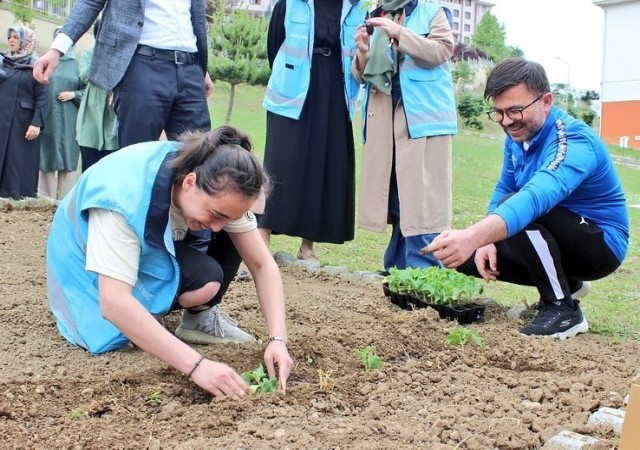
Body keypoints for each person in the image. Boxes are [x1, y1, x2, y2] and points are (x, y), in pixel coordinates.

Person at [46, 125, 293, 397]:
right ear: (189, 182)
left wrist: (278, 340)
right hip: (81, 268)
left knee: (210, 274)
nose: (218, 227)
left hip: (146, 246)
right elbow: (113, 302)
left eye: (228, 218)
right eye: (215, 214)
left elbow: (261, 264)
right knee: (113, 331)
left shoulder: (213, 176)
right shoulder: (122, 198)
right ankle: (143, 314)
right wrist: (197, 366)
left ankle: (192, 318)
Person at [424, 57, 629, 339]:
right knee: (466, 258)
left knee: (515, 207)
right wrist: (485, 240)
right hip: (552, 234)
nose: (506, 121)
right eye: (498, 112)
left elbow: (534, 198)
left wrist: (475, 235)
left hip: (600, 246)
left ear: (546, 101)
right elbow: (504, 185)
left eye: (515, 110)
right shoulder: (517, 135)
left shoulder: (574, 141)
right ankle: (568, 284)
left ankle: (562, 310)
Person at [352, 0, 457, 271]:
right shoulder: (377, 14)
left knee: (422, 201)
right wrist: (363, 50)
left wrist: (398, 33)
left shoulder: (432, 12)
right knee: (397, 195)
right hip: (385, 118)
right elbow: (361, 75)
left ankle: (425, 270)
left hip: (422, 119)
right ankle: (398, 267)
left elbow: (442, 50)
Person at [258, 0, 365, 263]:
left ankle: (308, 246)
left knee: (323, 164)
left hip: (335, 91)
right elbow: (275, 47)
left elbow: (361, 55)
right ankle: (261, 240)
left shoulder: (356, 7)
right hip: (292, 90)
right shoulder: (290, 3)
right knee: (279, 163)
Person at [32, 0, 213, 148]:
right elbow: (89, 2)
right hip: (142, 64)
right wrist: (57, 50)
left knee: (198, 155)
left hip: (190, 68)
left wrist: (200, 68)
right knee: (137, 156)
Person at [0, 26, 48, 200]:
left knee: (17, 162)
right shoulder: (1, 61)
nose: (11, 40)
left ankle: (16, 197)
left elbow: (42, 97)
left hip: (23, 123)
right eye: (9, 37)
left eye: (16, 37)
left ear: (25, 41)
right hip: (2, 119)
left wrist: (37, 122)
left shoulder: (35, 65)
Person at [38, 27, 84, 200]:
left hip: (69, 119)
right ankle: (44, 201)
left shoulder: (77, 64)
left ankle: (66, 202)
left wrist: (74, 95)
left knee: (68, 156)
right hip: (48, 117)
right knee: (46, 156)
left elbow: (87, 91)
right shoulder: (46, 63)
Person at [76, 19, 119, 172]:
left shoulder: (121, 58)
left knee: (111, 168)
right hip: (90, 116)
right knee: (89, 169)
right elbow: (85, 74)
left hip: (112, 116)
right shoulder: (89, 54)